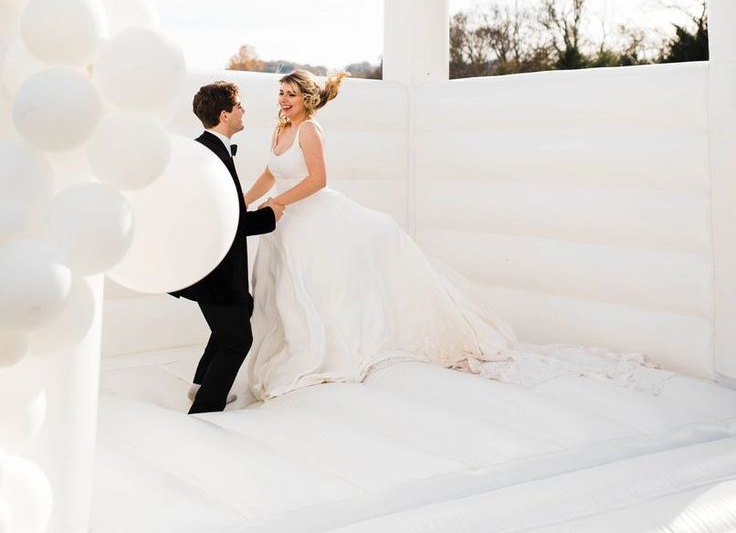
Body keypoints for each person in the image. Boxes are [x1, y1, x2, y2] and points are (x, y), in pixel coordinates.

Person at [242, 70, 669, 401]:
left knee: (327, 287)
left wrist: (280, 204)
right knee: (293, 294)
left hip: (313, 217)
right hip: (286, 225)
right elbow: (269, 173)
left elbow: (318, 178)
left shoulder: (311, 131)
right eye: (280, 93)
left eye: (290, 93)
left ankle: (339, 349)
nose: (283, 99)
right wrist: (247, 200)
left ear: (306, 99)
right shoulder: (278, 131)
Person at [170, 81, 282, 414]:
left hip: (212, 266)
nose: (243, 110)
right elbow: (226, 224)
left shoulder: (206, 149)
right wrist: (269, 217)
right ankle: (205, 409)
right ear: (224, 114)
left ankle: (200, 384)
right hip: (213, 269)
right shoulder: (211, 157)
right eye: (239, 106)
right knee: (238, 340)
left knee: (243, 308)